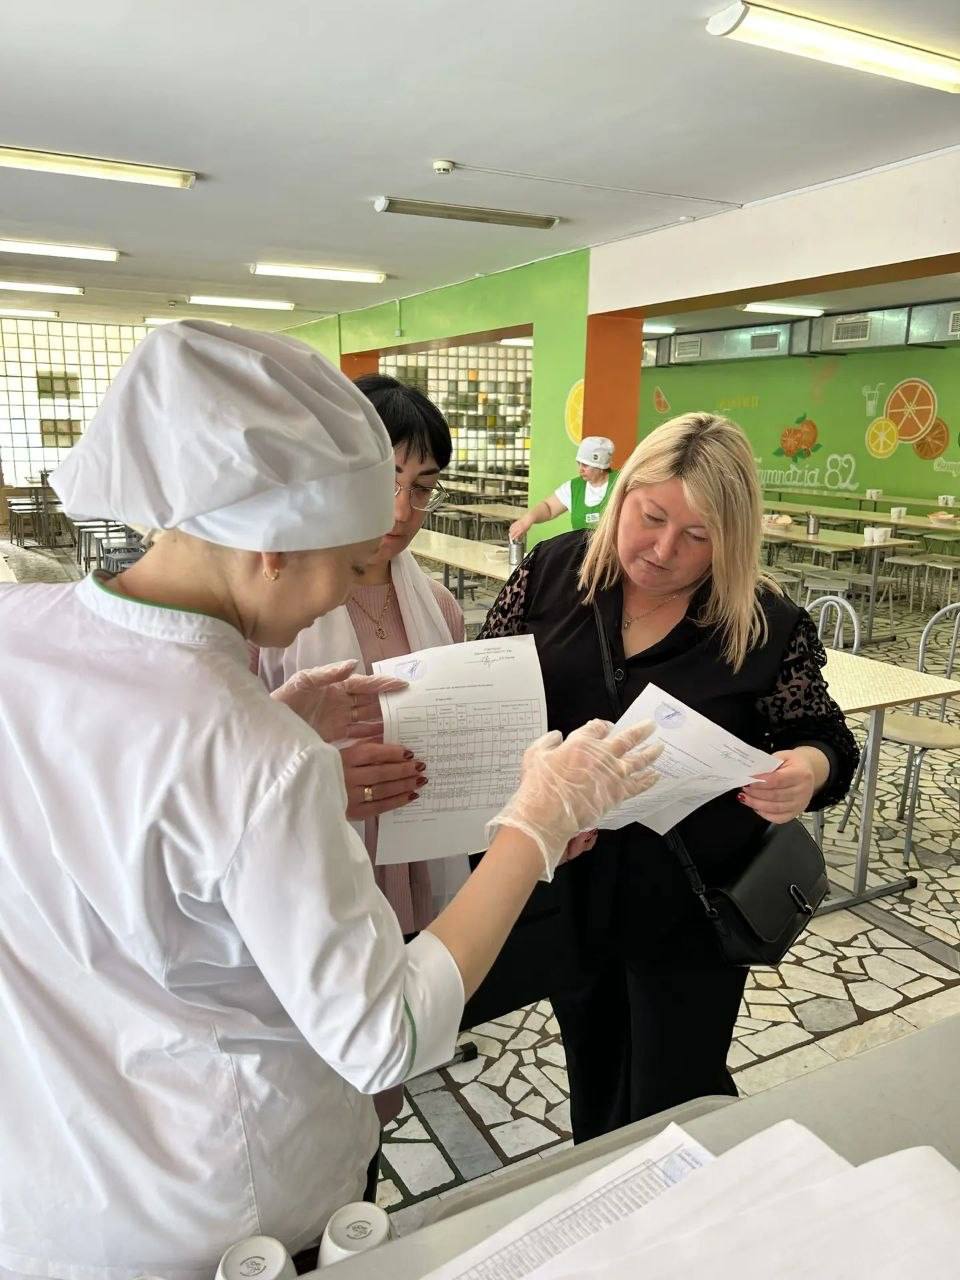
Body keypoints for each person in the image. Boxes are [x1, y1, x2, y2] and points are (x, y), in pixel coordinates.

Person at [0, 320, 663, 1280]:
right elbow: (382, 1034)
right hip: (221, 1208)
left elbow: (121, 814)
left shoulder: (20, 630)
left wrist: (278, 724)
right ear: (273, 549)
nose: (349, 594)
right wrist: (537, 821)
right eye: (352, 568)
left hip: (48, 1173)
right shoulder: (253, 757)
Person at [474, 412, 859, 1143]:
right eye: (650, 518)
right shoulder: (551, 574)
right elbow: (490, 690)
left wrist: (806, 772)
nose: (661, 551)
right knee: (594, 1076)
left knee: (675, 1090)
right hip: (571, 885)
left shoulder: (762, 621)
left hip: (691, 900)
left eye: (697, 536)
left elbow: (826, 739)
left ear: (732, 538)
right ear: (621, 496)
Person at [259, 374, 466, 939]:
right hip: (314, 855)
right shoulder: (272, 611)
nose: (401, 511)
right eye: (384, 481)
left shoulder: (440, 608)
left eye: (422, 488)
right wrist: (320, 783)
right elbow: (227, 761)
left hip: (420, 845)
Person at [508, 436, 618, 542]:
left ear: (600, 466)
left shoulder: (621, 484)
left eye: (585, 465)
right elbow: (549, 508)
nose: (580, 470)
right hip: (583, 551)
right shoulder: (574, 487)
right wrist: (527, 520)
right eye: (579, 464)